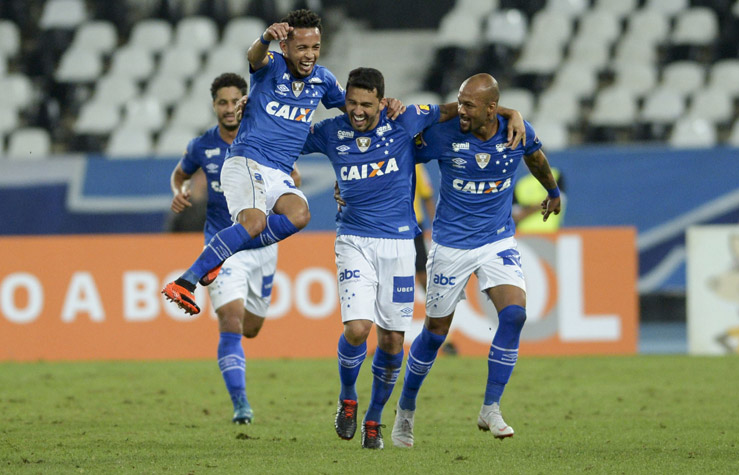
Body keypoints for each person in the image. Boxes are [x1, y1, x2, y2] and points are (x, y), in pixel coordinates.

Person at [302, 68, 526, 449]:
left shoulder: (405, 119)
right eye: (351, 103)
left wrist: (509, 113)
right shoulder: (330, 131)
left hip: (401, 245)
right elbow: (283, 141)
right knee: (358, 329)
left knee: (392, 341)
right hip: (353, 238)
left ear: (382, 102)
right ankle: (348, 397)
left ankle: (375, 420)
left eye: (366, 104)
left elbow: (461, 107)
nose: (357, 111)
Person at [390, 73, 561, 448]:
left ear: (491, 109)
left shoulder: (516, 131)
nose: (460, 109)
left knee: (515, 313)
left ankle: (491, 407)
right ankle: (405, 410)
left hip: (496, 240)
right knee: (435, 334)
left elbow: (535, 155)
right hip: (450, 245)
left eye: (468, 105)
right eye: (459, 101)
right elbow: (396, 153)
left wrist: (552, 190)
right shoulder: (445, 133)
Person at [162, 9, 346, 316]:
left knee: (299, 215)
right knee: (255, 223)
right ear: (285, 47)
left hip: (279, 170)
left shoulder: (323, 80)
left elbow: (354, 108)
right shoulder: (272, 65)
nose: (310, 55)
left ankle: (217, 255)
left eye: (315, 47)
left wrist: (386, 108)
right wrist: (264, 38)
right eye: (302, 47)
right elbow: (255, 55)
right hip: (247, 159)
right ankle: (186, 281)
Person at [168, 72, 301, 425]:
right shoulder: (202, 146)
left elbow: (294, 179)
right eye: (222, 102)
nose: (229, 109)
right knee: (230, 319)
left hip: (263, 246)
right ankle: (241, 404)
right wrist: (179, 192)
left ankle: (236, 363)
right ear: (213, 105)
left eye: (234, 101)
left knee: (251, 328)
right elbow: (180, 175)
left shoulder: (265, 138)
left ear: (245, 102)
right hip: (223, 247)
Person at [513, 167, 565, 233]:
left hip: (549, 231)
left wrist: (527, 210)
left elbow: (557, 200)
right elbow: (516, 215)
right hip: (524, 233)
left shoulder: (554, 175)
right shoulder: (520, 184)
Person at [412, 163, 436, 289]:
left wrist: (435, 228)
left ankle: (430, 302)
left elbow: (427, 196)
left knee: (422, 269)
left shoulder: (416, 166)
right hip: (391, 226)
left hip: (414, 225)